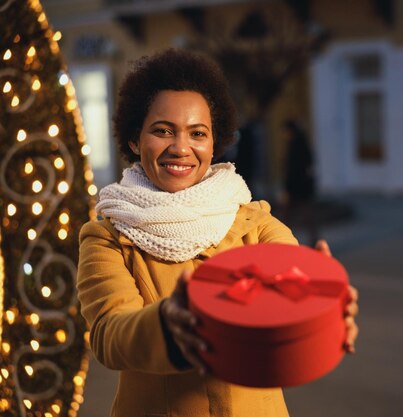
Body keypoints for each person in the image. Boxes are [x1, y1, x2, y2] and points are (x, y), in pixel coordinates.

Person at [77, 49, 359, 417]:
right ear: (134, 140)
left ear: (213, 144)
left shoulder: (253, 221)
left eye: (198, 133)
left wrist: (325, 311)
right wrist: (169, 324)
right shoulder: (106, 237)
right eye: (163, 131)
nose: (181, 148)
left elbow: (291, 292)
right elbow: (109, 336)